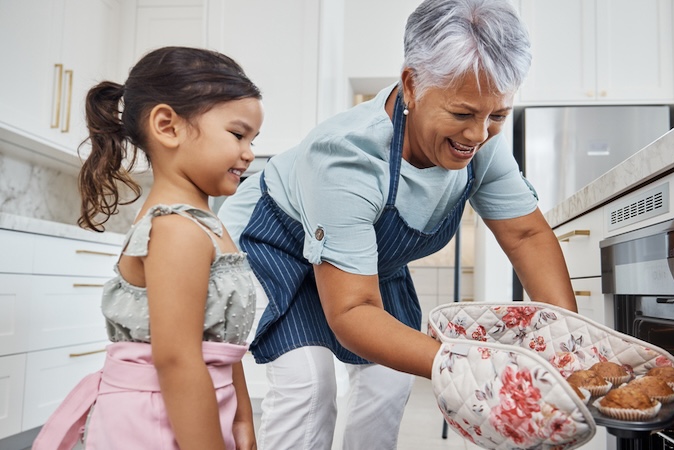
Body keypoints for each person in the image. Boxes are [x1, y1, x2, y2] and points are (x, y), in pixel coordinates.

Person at [219, 0, 578, 448]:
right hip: (279, 243)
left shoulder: (483, 146)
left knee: (390, 376)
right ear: (411, 84)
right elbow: (351, 311)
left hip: (364, 266)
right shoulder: (347, 157)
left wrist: (571, 345)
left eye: (498, 115)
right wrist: (469, 366)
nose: (478, 135)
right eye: (463, 114)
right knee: (309, 383)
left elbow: (526, 235)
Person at [33, 46, 264, 450]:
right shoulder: (177, 229)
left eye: (253, 138)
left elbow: (220, 343)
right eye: (238, 134)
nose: (249, 152)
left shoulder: (205, 226)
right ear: (167, 126)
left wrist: (243, 418)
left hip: (200, 409)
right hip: (156, 421)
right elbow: (176, 361)